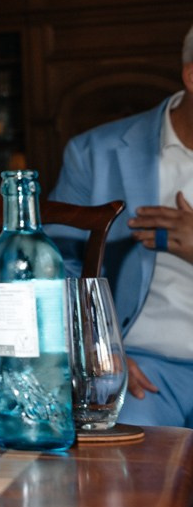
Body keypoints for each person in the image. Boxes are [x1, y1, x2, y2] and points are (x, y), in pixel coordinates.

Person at [47, 23, 193, 428]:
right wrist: (99, 354)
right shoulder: (94, 153)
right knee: (122, 472)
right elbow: (60, 267)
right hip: (141, 368)